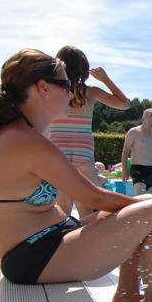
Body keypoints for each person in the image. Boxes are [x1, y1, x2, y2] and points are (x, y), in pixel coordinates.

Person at [0, 49, 152, 302]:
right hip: (34, 257)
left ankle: (129, 293)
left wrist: (141, 205)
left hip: (41, 245)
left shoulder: (13, 135)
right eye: (66, 85)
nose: (72, 93)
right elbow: (95, 198)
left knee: (141, 208)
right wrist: (150, 205)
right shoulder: (27, 142)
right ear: (43, 88)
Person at [49, 45, 130, 218]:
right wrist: (105, 79)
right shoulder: (91, 92)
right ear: (83, 69)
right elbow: (125, 104)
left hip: (58, 151)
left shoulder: (50, 90)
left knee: (63, 207)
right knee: (87, 210)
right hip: (83, 151)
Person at [121, 109, 152, 195]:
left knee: (151, 198)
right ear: (143, 119)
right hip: (138, 168)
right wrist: (125, 170)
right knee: (141, 197)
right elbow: (125, 152)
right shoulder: (133, 132)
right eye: (149, 121)